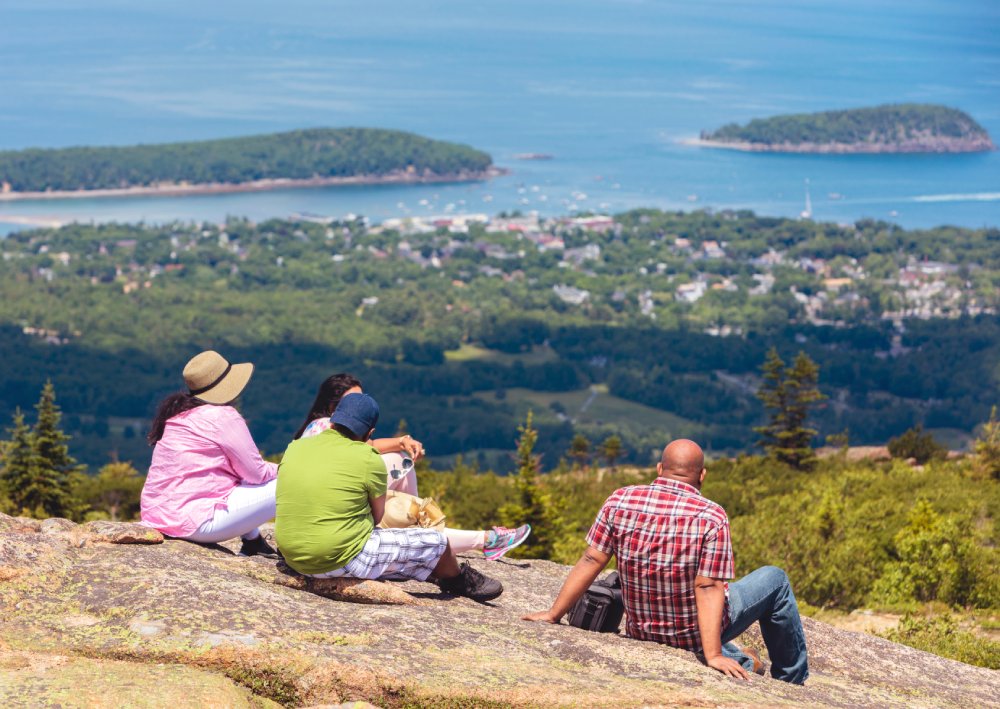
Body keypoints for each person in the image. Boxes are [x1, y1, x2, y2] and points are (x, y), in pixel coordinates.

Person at [523, 439, 809, 685]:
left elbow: (591, 558)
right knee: (775, 578)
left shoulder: (620, 500)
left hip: (642, 631)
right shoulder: (711, 517)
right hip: (693, 636)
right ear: (702, 475)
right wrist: (712, 655)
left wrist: (553, 614)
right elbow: (708, 587)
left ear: (660, 469)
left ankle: (743, 659)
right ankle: (790, 682)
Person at [276, 392, 503, 601]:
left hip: (292, 555)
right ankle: (456, 580)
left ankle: (424, 570)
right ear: (369, 433)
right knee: (437, 541)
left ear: (333, 419)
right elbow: (377, 518)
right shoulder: (367, 457)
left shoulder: (296, 447)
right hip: (334, 558)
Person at [295, 373, 531, 560]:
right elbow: (365, 451)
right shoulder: (325, 427)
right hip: (335, 506)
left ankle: (417, 522)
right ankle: (483, 540)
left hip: (327, 505)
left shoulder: (325, 428)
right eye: (352, 400)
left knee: (400, 458)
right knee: (400, 464)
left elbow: (371, 445)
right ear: (333, 405)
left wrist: (400, 441)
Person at [141, 350, 280, 558]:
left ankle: (253, 542)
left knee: (232, 478)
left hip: (158, 516)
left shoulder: (178, 415)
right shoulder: (222, 416)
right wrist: (286, 468)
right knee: (296, 481)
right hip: (194, 523)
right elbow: (256, 474)